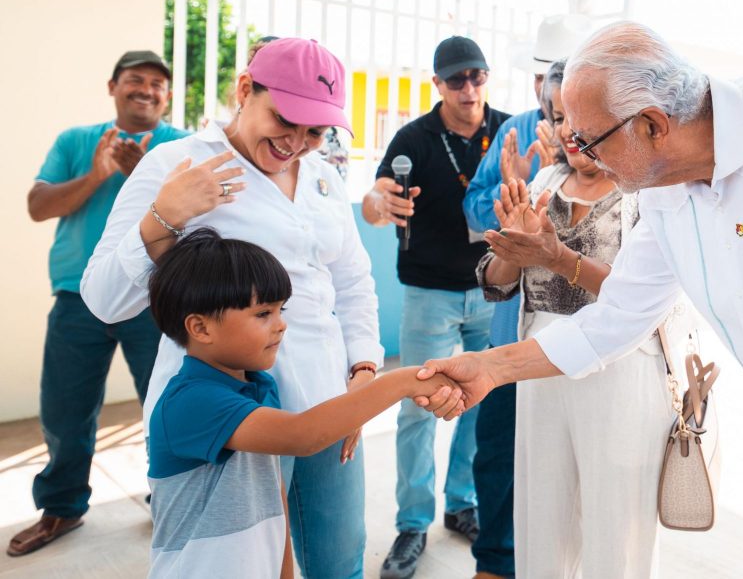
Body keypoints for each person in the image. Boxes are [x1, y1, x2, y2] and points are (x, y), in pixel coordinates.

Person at [416, 21, 743, 579]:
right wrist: (490, 368)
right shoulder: (665, 188)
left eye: (589, 140)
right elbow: (617, 316)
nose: (578, 151)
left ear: (651, 125)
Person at [81, 38, 382, 579]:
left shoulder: (323, 177)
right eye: (285, 120)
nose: (297, 143)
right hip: (233, 420)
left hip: (330, 400)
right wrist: (162, 217)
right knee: (245, 565)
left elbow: (352, 281)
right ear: (245, 90)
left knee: (341, 562)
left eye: (316, 131)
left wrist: (363, 367)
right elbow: (103, 300)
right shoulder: (175, 165)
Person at [144, 228, 459, 578]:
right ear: (201, 328)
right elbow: (302, 436)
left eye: (281, 310)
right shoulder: (190, 401)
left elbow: (274, 498)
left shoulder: (259, 385)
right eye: (263, 314)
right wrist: (402, 381)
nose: (281, 325)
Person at [478, 60, 685, 578]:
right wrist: (512, 248)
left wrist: (555, 257)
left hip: (622, 370)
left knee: (616, 522)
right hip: (540, 365)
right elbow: (497, 283)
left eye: (579, 117)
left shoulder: (645, 193)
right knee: (541, 514)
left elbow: (637, 297)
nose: (569, 130)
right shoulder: (543, 182)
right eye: (557, 117)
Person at [9, 50, 189, 558]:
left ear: (167, 96)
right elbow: (38, 207)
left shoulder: (180, 146)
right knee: (64, 410)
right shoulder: (75, 141)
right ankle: (62, 506)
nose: (146, 89)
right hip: (76, 297)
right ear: (113, 86)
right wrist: (97, 174)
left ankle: (170, 500)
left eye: (157, 83)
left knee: (166, 406)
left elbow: (198, 218)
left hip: (156, 298)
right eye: (135, 79)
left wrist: (141, 175)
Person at [361, 35, 510, 579]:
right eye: (456, 79)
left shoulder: (509, 130)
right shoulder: (415, 138)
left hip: (494, 290)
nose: (468, 88)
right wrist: (380, 203)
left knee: (481, 403)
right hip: (429, 292)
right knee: (418, 407)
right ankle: (412, 523)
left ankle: (461, 502)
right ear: (437, 84)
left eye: (476, 75)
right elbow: (374, 198)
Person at [461, 14, 590, 579]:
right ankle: (494, 561)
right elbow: (476, 210)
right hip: (510, 332)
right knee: (498, 454)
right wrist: (513, 186)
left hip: (584, 354)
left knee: (567, 475)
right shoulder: (514, 130)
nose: (547, 91)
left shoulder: (614, 156)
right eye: (541, 78)